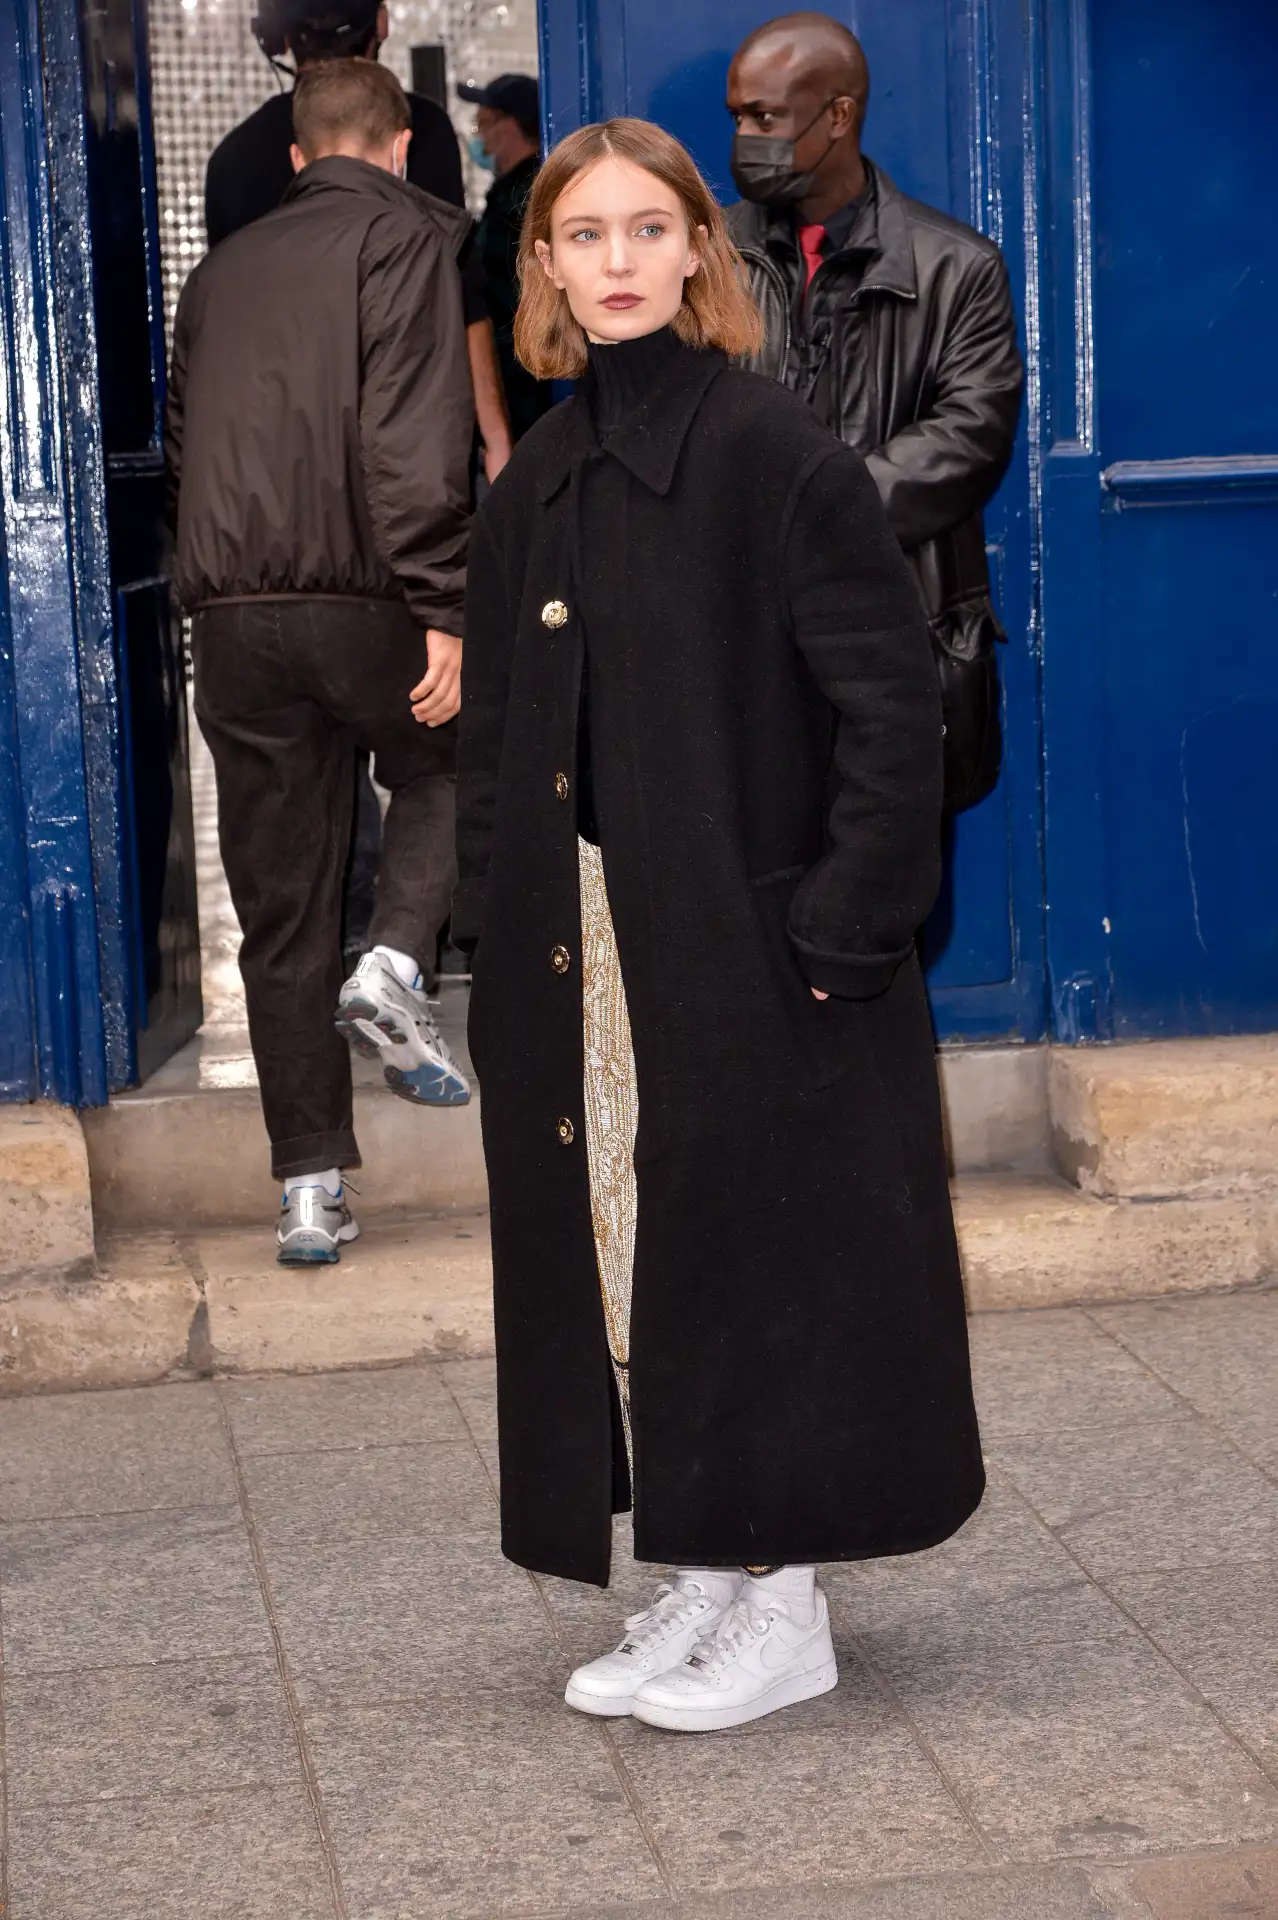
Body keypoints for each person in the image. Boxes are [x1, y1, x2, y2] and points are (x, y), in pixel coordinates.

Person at [455, 117, 983, 1733]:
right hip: (598, 951)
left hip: (754, 954)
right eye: (580, 235)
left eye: (642, 229)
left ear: (695, 250)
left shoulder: (774, 453)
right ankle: (703, 1564)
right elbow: (507, 754)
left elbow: (892, 709)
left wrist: (841, 926)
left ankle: (785, 1605)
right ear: (540, 265)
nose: (612, 262)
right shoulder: (536, 480)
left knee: (762, 1262)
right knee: (638, 1260)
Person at [167, 60, 474, 1265]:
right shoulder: (407, 242)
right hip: (370, 593)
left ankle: (308, 1194)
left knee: (278, 909)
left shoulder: (219, 270)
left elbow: (190, 447)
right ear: (399, 146)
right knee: (460, 757)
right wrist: (446, 603)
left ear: (297, 158)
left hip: (235, 623)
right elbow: (411, 441)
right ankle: (395, 961)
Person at [725, 11, 1023, 812]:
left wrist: (811, 515)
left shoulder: (959, 268)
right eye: (738, 117)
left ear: (839, 116)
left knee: (897, 896)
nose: (744, 136)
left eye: (765, 117)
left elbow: (971, 437)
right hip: (746, 642)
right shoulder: (710, 259)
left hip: (900, 632)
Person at [207, 0, 513, 482]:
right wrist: (496, 441)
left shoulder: (232, 158)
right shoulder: (421, 129)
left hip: (282, 458)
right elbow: (461, 298)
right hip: (408, 447)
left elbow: (224, 341)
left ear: (275, 37)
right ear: (383, 23)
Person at [456, 72, 553, 440]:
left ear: (509, 126)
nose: (479, 136)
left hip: (523, 386)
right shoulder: (513, 192)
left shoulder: (523, 199)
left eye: (484, 122)